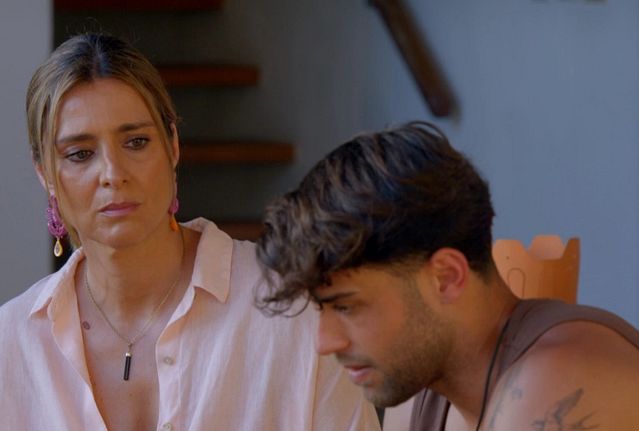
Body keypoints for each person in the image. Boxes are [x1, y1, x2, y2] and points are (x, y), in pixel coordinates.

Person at [0, 34, 379, 431]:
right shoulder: (9, 347)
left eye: (136, 142)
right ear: (45, 174)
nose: (113, 173)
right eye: (80, 153)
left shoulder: (288, 309)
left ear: (172, 144)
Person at [256, 122, 639, 430]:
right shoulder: (418, 384)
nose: (325, 342)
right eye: (321, 308)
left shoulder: (563, 378)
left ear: (447, 277)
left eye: (346, 307)